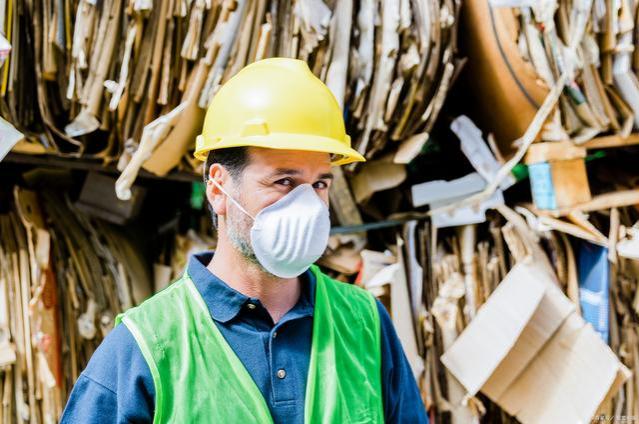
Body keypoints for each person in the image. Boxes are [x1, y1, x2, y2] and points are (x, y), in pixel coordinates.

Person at [61, 58, 429, 423]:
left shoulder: (363, 323)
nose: (307, 205)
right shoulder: (147, 347)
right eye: (283, 182)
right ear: (218, 188)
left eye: (319, 183)